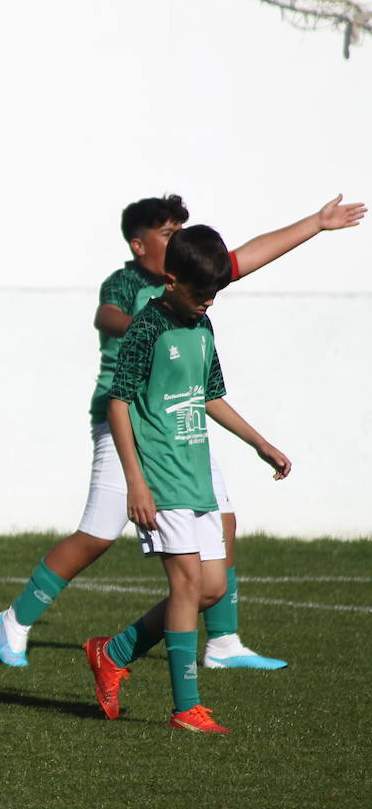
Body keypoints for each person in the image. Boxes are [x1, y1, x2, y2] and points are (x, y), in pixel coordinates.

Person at [0, 194, 363, 669]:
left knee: (224, 522)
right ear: (140, 244)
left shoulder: (196, 277)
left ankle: (224, 643)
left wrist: (317, 222)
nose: (176, 239)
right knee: (99, 534)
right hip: (130, 419)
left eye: (180, 230)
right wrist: (153, 325)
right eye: (167, 232)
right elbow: (105, 317)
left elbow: (250, 255)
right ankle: (16, 620)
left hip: (184, 421)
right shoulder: (128, 284)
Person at [82, 224, 290, 733]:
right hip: (162, 477)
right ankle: (185, 708)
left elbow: (210, 394)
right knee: (186, 583)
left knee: (212, 588)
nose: (209, 303)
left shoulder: (202, 325)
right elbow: (119, 402)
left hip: (197, 474)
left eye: (216, 294)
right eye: (201, 294)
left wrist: (259, 442)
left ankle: (114, 652)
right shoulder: (147, 327)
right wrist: (136, 481)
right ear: (172, 280)